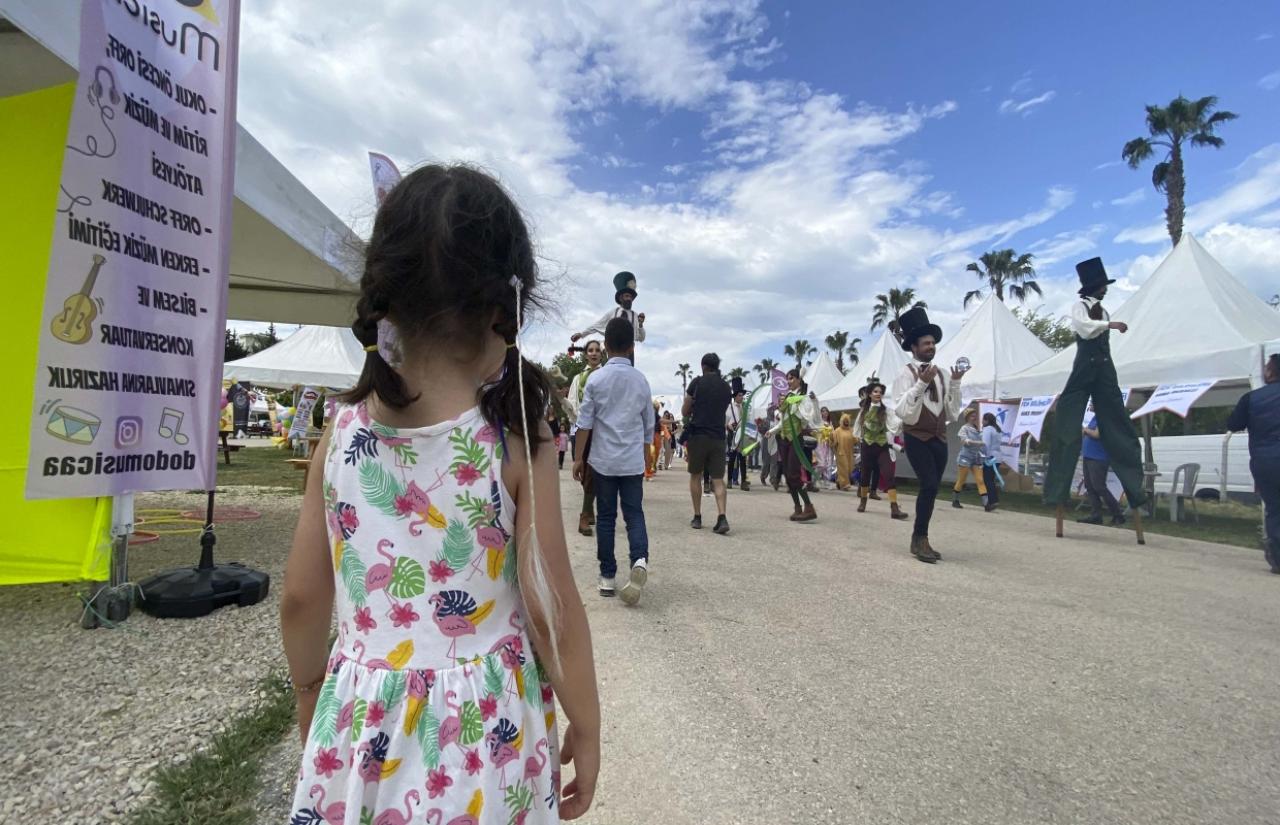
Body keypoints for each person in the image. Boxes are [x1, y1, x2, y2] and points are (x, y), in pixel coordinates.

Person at [281, 164, 599, 822]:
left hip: (363, 722)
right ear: (505, 309)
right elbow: (549, 604)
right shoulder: (514, 437)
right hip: (487, 734)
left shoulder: (339, 434)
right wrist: (587, 722)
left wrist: (312, 689)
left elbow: (302, 599)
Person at [1043, 257, 1148, 527]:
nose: (1105, 290)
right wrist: (1108, 326)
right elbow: (1084, 329)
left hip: (1104, 366)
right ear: (1094, 287)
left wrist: (1108, 325)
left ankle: (1135, 493)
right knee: (1068, 417)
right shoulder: (1080, 307)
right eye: (1103, 286)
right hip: (1085, 364)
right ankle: (1057, 492)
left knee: (1117, 420)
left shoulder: (1104, 311)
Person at [574, 317, 654, 604]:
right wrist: (646, 458)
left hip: (603, 460)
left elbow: (585, 423)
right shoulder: (641, 380)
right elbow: (648, 424)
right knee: (634, 514)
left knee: (606, 518)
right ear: (631, 346)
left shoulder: (596, 379)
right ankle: (639, 560)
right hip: (631, 460)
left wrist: (577, 459)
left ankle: (608, 576)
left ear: (605, 346)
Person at [892, 307, 964, 563]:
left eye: (933, 343)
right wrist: (921, 383)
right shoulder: (905, 374)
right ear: (914, 347)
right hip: (917, 437)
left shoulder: (942, 374)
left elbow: (952, 413)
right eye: (926, 343)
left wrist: (956, 383)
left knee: (932, 489)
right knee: (929, 484)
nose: (931, 347)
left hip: (939, 437)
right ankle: (919, 538)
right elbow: (904, 412)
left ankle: (921, 538)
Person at [1227, 353, 1280, 574]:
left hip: (1266, 461)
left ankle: (1278, 559)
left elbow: (1233, 424)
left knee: (1275, 509)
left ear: (1270, 371)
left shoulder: (1252, 398)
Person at [683, 354, 732, 534]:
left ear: (703, 366)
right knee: (718, 479)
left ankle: (697, 516)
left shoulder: (696, 383)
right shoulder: (725, 386)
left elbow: (685, 410)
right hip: (718, 436)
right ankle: (722, 516)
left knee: (695, 475)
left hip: (699, 435)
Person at [769, 369, 821, 522]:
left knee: (794, 474)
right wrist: (772, 431)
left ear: (799, 379)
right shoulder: (789, 397)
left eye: (791, 378)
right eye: (787, 379)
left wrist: (806, 402)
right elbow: (783, 420)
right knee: (787, 474)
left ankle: (809, 507)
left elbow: (809, 418)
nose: (789, 381)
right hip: (783, 439)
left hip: (795, 439)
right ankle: (798, 508)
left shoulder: (803, 398)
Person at [854, 381, 910, 521]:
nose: (878, 394)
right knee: (865, 475)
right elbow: (858, 429)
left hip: (881, 446)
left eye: (880, 392)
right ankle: (863, 501)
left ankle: (894, 508)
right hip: (867, 446)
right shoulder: (864, 411)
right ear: (869, 394)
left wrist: (904, 420)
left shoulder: (886, 411)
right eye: (875, 391)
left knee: (889, 474)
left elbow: (894, 424)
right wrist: (860, 439)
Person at [567, 340, 604, 536]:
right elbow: (573, 403)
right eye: (590, 350)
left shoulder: (606, 375)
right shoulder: (578, 378)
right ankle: (589, 510)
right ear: (586, 354)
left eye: (597, 350)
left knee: (591, 470)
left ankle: (584, 514)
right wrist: (569, 411)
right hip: (581, 429)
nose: (594, 353)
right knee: (582, 470)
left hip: (599, 430)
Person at [570, 272, 646, 360]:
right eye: (626, 296)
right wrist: (581, 334)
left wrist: (640, 324)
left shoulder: (635, 316)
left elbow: (641, 338)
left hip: (628, 352)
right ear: (621, 298)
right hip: (613, 350)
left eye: (630, 297)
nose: (629, 299)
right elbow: (596, 326)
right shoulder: (613, 312)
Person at [1077, 412, 1125, 525]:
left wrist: (1085, 430)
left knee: (1099, 487)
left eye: (1093, 403)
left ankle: (1118, 514)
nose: (1091, 404)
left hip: (1098, 457)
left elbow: (1098, 434)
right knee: (1090, 487)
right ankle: (1096, 515)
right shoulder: (1095, 417)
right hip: (1088, 456)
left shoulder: (1104, 417)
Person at [952, 408, 989, 509]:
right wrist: (978, 443)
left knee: (980, 480)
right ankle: (955, 500)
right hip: (965, 457)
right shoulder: (964, 428)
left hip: (977, 458)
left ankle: (986, 504)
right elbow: (963, 441)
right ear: (967, 417)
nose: (975, 417)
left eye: (975, 415)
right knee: (962, 480)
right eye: (972, 416)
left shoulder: (978, 429)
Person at [725, 377, 750, 491]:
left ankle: (743, 482)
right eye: (740, 395)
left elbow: (747, 421)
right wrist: (729, 426)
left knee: (743, 459)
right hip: (732, 435)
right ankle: (730, 480)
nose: (741, 397)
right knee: (732, 459)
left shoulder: (744, 408)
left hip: (742, 435)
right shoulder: (729, 407)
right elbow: (725, 422)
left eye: (742, 395)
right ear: (735, 396)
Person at [980, 412, 1003, 512]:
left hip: (990, 457)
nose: (982, 422)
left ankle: (992, 501)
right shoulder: (997, 430)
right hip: (998, 457)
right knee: (991, 479)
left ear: (986, 420)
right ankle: (993, 499)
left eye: (983, 420)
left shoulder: (988, 429)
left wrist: (984, 456)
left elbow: (986, 444)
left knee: (987, 480)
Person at [833, 412, 856, 491]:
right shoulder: (837, 431)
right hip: (841, 452)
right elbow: (833, 441)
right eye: (845, 421)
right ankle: (844, 485)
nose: (846, 422)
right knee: (844, 468)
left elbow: (855, 439)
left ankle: (839, 481)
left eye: (847, 421)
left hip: (849, 453)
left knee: (849, 468)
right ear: (841, 421)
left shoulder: (851, 430)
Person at [814, 407, 835, 491]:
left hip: (828, 445)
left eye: (826, 411)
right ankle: (814, 478)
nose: (825, 413)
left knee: (828, 464)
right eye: (823, 411)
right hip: (820, 444)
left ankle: (826, 481)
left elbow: (833, 433)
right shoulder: (819, 422)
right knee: (821, 463)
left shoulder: (830, 423)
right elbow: (816, 432)